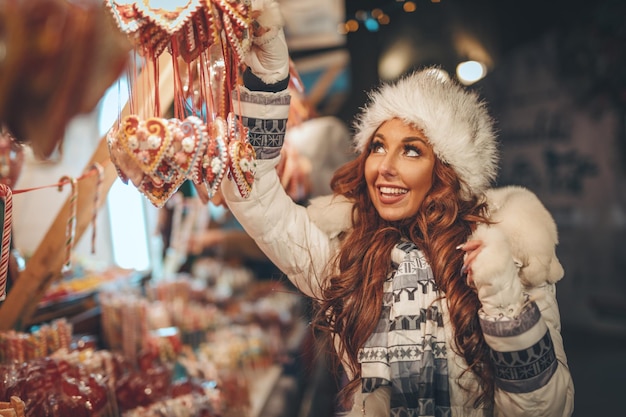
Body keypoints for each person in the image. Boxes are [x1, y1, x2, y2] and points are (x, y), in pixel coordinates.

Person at [221, 1, 575, 415]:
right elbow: (252, 193)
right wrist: (267, 79)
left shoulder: (509, 254)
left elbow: (549, 408)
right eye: (377, 147)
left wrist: (502, 296)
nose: (384, 168)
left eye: (411, 151)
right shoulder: (347, 256)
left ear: (446, 170)